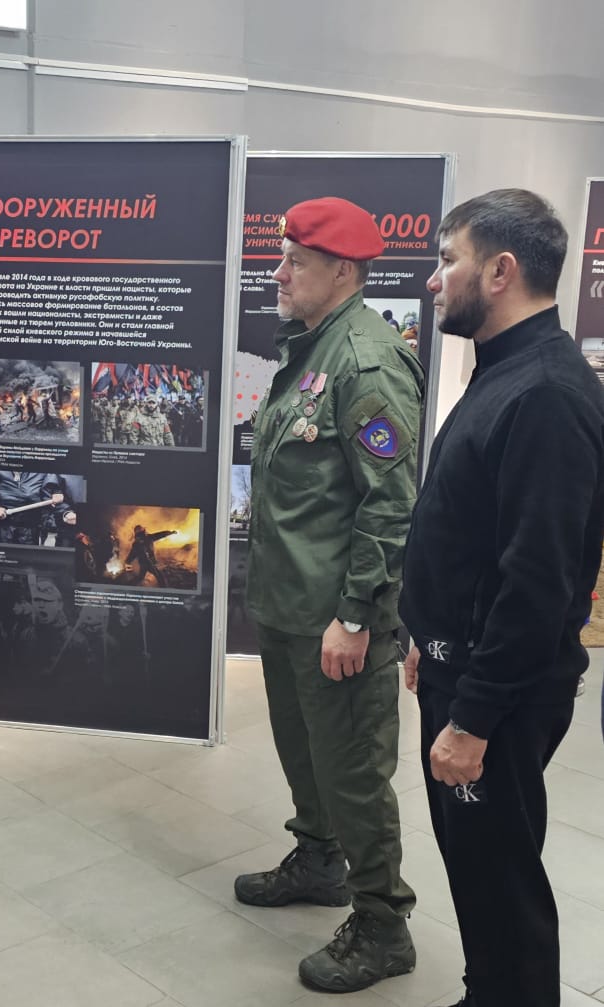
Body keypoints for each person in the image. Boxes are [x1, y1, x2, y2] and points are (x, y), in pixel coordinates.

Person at [400, 189, 604, 1007]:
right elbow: (473, 533)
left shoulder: (546, 394)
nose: (432, 280)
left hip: (500, 693)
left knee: (501, 879)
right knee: (476, 869)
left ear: (500, 270)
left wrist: (474, 717)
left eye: (446, 259)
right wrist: (426, 634)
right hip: (461, 666)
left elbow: (538, 580)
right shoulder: (505, 372)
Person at [237, 197, 425, 993]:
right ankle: (319, 859)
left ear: (342, 270)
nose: (278, 273)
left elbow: (391, 504)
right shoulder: (311, 345)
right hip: (290, 606)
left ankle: (382, 925)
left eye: (296, 262)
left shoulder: (366, 361)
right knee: (305, 752)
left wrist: (354, 615)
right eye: (282, 258)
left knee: (351, 769)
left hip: (336, 620)